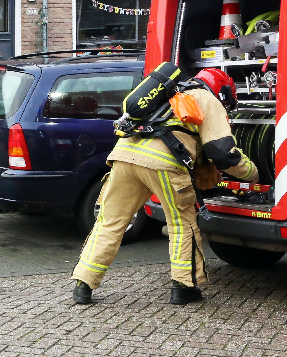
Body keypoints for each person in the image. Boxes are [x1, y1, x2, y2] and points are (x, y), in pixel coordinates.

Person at [71, 67, 258, 306]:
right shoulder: (206, 99)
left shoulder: (168, 93)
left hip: (124, 156)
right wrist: (251, 172)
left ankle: (83, 283)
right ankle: (184, 287)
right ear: (221, 90)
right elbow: (223, 153)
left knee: (110, 221)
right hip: (163, 163)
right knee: (182, 224)